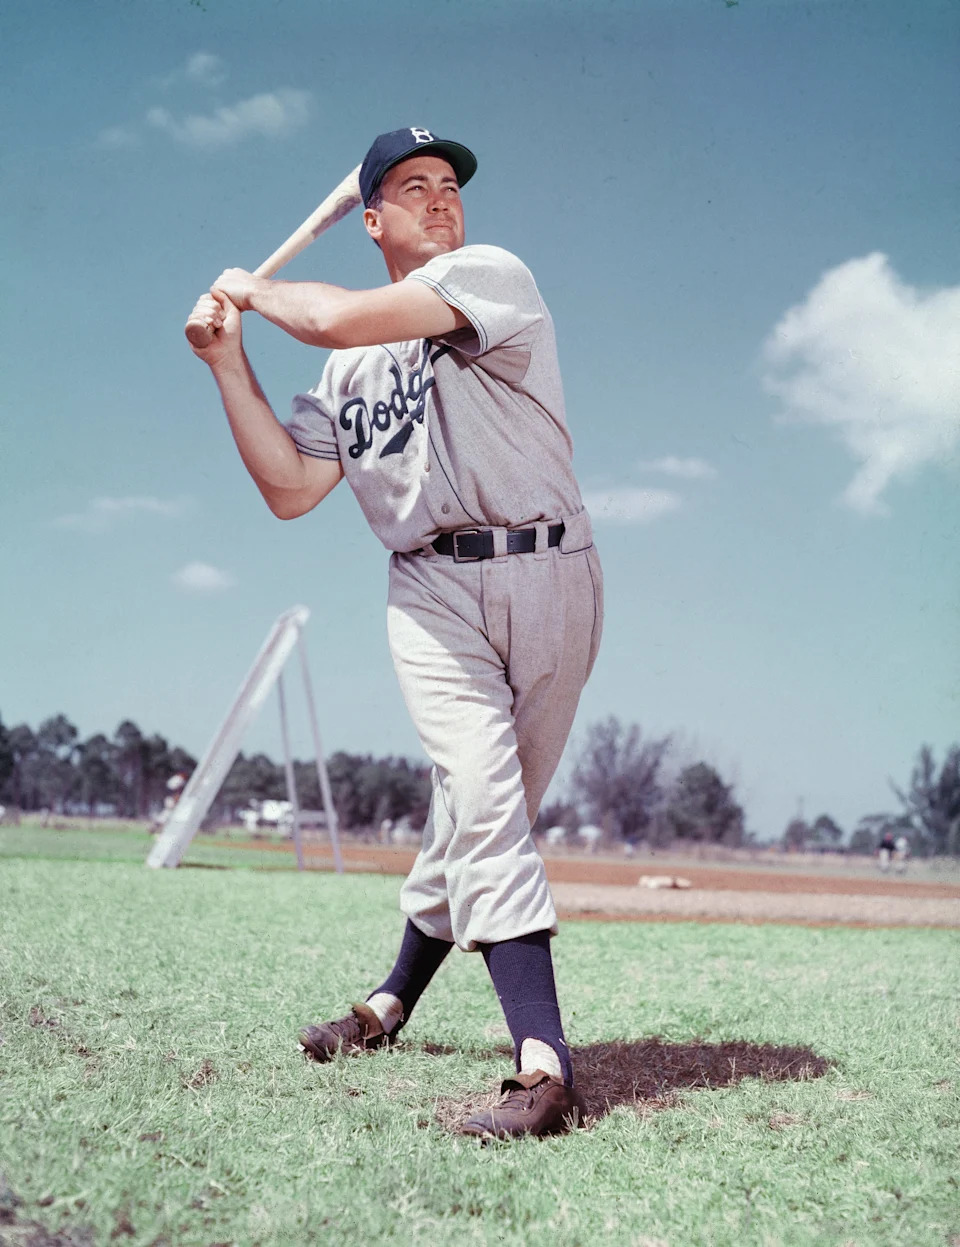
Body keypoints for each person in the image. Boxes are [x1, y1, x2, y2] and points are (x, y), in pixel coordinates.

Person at [186, 127, 603, 1139]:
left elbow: (329, 315)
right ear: (370, 219)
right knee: (485, 798)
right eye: (414, 187)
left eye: (449, 182)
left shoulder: (490, 276)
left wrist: (251, 286)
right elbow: (291, 489)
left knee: (469, 818)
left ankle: (388, 1002)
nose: (442, 196)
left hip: (557, 570)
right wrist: (226, 361)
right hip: (430, 588)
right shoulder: (344, 377)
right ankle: (544, 1066)